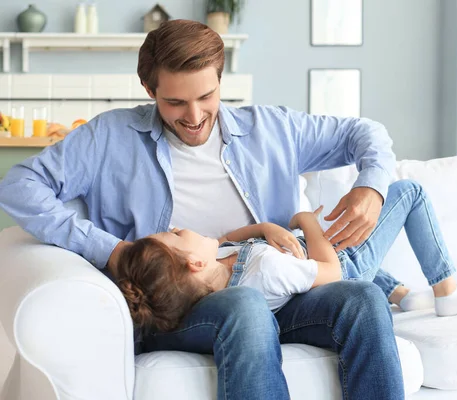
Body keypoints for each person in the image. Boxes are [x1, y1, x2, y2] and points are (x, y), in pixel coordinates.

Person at [0, 19, 408, 400]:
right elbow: (18, 186)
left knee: (365, 299)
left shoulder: (272, 129)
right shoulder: (110, 137)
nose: (194, 117)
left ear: (219, 80)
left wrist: (371, 186)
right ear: (148, 89)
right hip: (178, 308)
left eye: (206, 97)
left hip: (277, 291)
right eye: (175, 102)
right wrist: (113, 251)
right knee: (245, 305)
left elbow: (365, 132)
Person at [116, 179, 457, 335]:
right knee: (409, 191)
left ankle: (401, 294)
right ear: (193, 263)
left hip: (305, 259)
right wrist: (304, 219)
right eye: (178, 232)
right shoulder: (265, 269)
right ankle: (447, 292)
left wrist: (266, 228)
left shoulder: (215, 275)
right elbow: (329, 270)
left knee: (326, 238)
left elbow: (226, 238)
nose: (182, 226)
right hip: (345, 267)